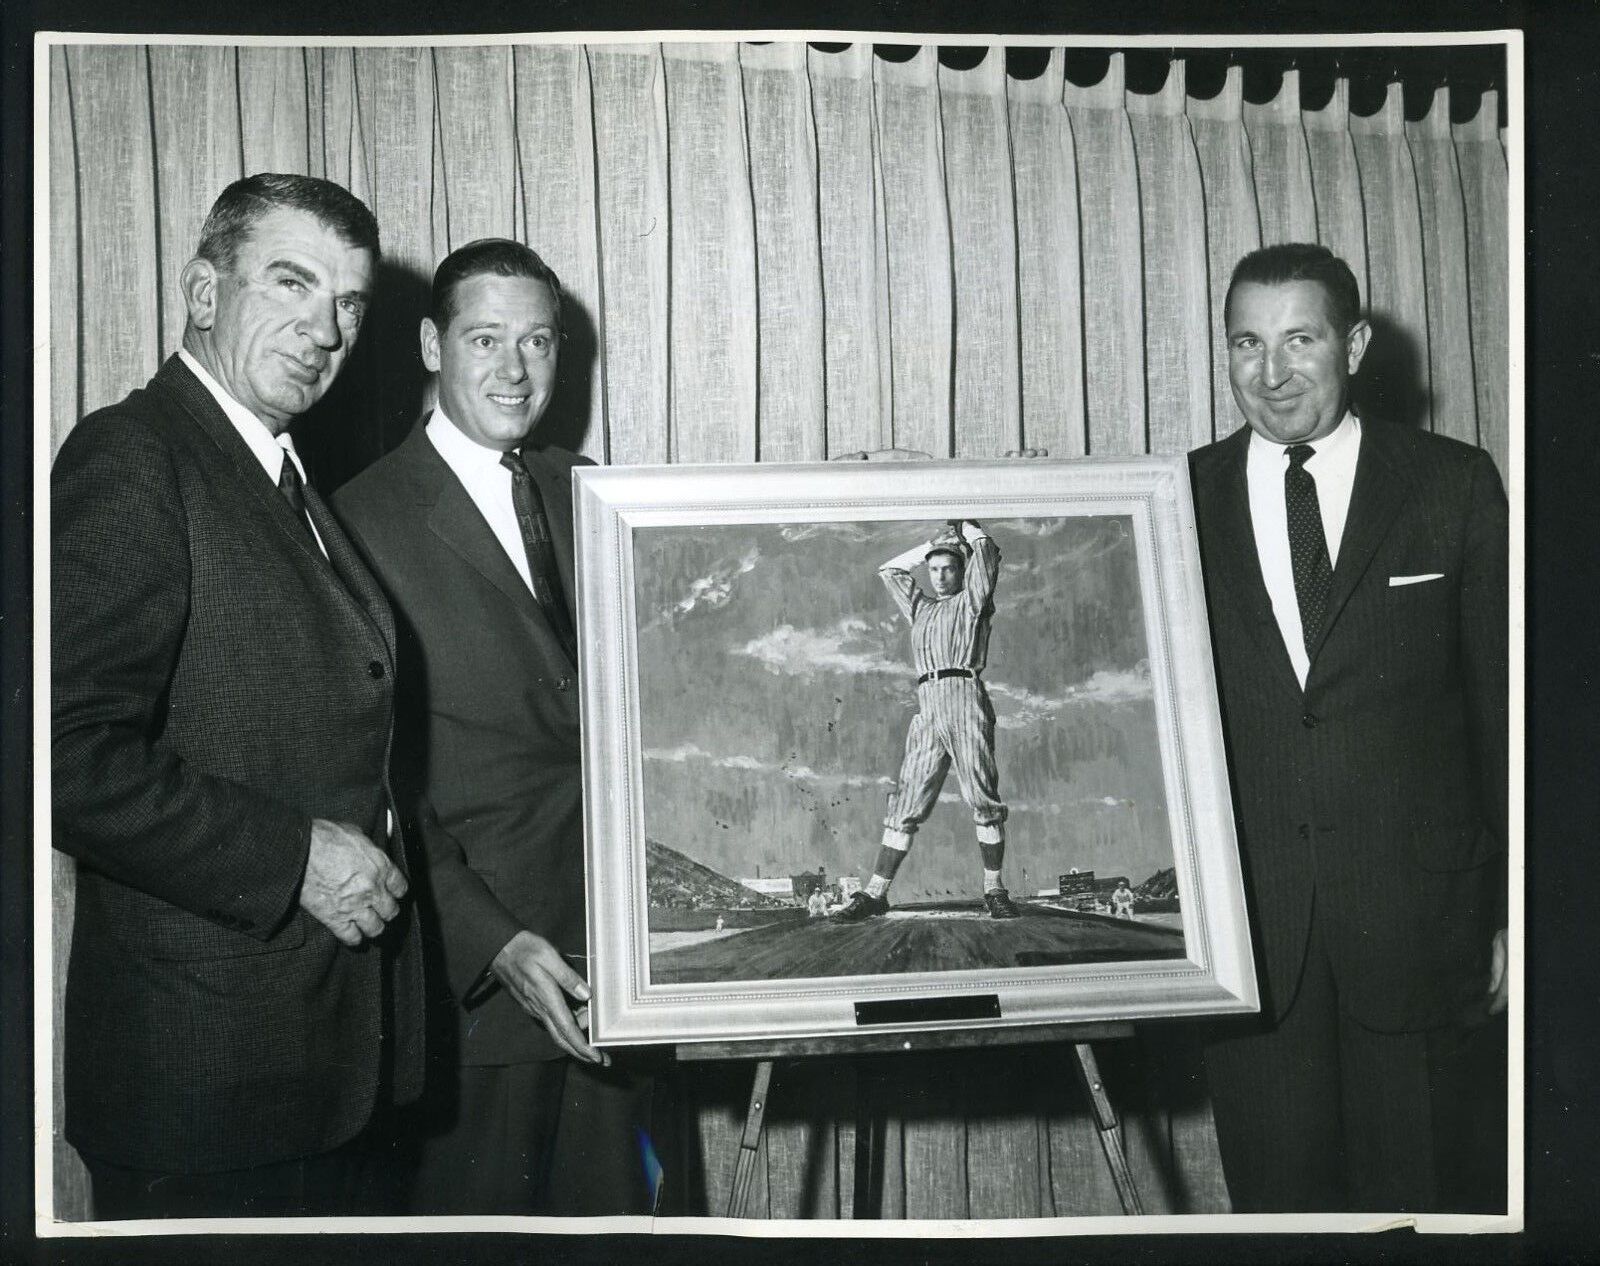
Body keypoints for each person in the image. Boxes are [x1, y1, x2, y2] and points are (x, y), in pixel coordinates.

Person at [51, 173, 424, 1219]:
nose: (325, 330)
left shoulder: (281, 471)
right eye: (291, 285)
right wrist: (294, 855)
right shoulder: (132, 455)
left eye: (349, 305)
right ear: (202, 291)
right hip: (208, 1082)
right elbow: (55, 754)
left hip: (318, 1067)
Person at [332, 238, 654, 1216]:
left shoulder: (593, 491)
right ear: (432, 346)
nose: (516, 371)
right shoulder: (355, 517)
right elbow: (374, 780)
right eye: (485, 339)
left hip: (624, 969)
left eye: (539, 342)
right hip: (471, 985)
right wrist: (494, 941)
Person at [1189, 243, 1508, 1213]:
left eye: (1300, 339)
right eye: (1247, 342)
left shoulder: (1450, 484)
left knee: (1426, 1211)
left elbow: (1508, 714)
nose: (1271, 373)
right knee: (1280, 1221)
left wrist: (1517, 914)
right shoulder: (1180, 497)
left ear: (1356, 345)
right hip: (1253, 955)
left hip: (1421, 934)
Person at [833, 520, 1019, 921]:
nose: (939, 575)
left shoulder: (973, 599)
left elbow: (986, 551)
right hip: (928, 705)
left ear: (961, 569)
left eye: (947, 567)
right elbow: (890, 571)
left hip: (964, 696)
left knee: (983, 798)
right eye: (933, 569)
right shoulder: (920, 607)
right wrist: (932, 546)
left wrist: (966, 530)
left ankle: (995, 889)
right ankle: (876, 893)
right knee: (906, 802)